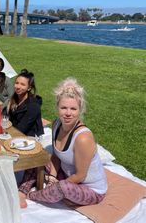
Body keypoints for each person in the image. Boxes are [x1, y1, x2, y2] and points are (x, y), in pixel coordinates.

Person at [18, 77, 107, 208]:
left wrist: (55, 186)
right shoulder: (56, 124)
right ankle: (22, 192)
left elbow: (80, 176)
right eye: (64, 108)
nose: (68, 113)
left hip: (90, 189)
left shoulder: (83, 138)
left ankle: (34, 196)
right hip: (66, 175)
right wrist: (52, 178)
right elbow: (56, 157)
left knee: (63, 188)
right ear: (57, 108)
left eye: (73, 109)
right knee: (37, 156)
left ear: (80, 110)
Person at [6, 69, 44, 137]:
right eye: (17, 83)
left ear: (29, 88)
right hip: (14, 131)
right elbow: (4, 115)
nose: (18, 87)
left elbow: (21, 128)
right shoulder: (15, 97)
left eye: (22, 84)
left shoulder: (33, 106)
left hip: (29, 137)